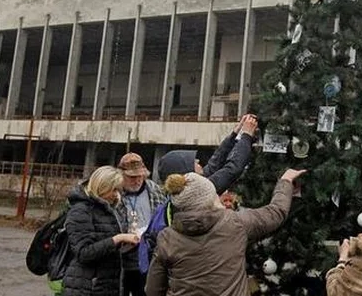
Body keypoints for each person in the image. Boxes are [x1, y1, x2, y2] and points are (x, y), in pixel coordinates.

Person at [144, 168, 306, 296]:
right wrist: (285, 181)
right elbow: (275, 213)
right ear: (209, 199)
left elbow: (153, 289)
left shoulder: (167, 237)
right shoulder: (234, 223)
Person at [138, 114, 259, 274]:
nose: (199, 162)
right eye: (193, 162)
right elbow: (233, 169)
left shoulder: (183, 192)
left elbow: (214, 164)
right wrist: (247, 137)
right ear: (185, 172)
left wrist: (234, 135)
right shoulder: (198, 195)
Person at [62, 166, 141, 296]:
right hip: (87, 287)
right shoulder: (80, 210)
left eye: (118, 190)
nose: (116, 194)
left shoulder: (111, 209)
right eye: (113, 189)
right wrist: (118, 239)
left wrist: (128, 243)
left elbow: (108, 246)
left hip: (108, 285)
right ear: (102, 186)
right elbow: (83, 253)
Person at [116, 153, 166, 296]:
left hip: (148, 260)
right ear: (121, 176)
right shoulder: (114, 192)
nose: (137, 180)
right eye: (131, 177)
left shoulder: (155, 190)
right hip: (121, 261)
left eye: (140, 176)